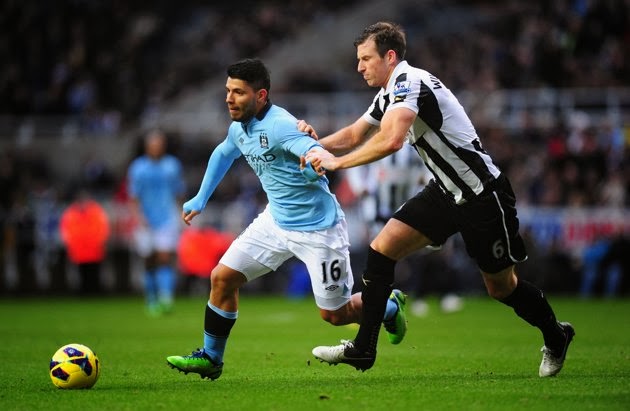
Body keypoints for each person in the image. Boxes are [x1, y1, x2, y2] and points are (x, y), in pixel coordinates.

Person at [302, 22, 574, 377]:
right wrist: (314, 145)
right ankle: (363, 349)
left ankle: (556, 335)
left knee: (501, 287)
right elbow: (355, 134)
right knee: (381, 250)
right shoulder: (389, 93)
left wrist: (337, 163)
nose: (359, 67)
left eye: (366, 58)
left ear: (389, 56)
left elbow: (392, 140)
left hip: (481, 194)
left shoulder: (408, 82)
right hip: (445, 192)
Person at [165, 58, 407, 381]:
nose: (229, 99)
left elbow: (315, 152)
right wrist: (201, 197)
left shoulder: (281, 125)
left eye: (238, 92)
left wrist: (312, 165)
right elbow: (224, 152)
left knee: (336, 315)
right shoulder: (239, 128)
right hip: (275, 223)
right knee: (222, 278)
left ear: (261, 95)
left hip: (319, 229)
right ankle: (211, 357)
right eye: (228, 91)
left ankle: (389, 307)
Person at [128, 130, 185, 316]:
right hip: (145, 219)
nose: (156, 148)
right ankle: (151, 299)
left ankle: (166, 298)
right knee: (148, 259)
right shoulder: (138, 167)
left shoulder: (172, 165)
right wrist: (138, 217)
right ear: (147, 147)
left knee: (165, 257)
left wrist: (182, 213)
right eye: (153, 144)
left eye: (159, 144)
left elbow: (178, 192)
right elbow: (133, 196)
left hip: (167, 218)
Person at [59, 189, 110, 295]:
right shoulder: (71, 213)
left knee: (94, 272)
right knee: (81, 273)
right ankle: (83, 292)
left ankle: (95, 291)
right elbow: (66, 230)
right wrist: (71, 244)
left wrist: (99, 242)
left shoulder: (96, 211)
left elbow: (103, 229)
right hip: (78, 250)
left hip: (94, 249)